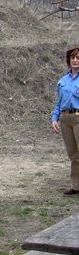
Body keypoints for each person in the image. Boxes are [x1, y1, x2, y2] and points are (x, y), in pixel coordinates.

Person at [51, 46, 79, 196]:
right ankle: (76, 185)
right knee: (73, 154)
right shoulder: (63, 81)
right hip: (65, 119)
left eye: (78, 58)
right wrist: (55, 118)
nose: (75, 60)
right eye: (72, 58)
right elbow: (59, 103)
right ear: (68, 61)